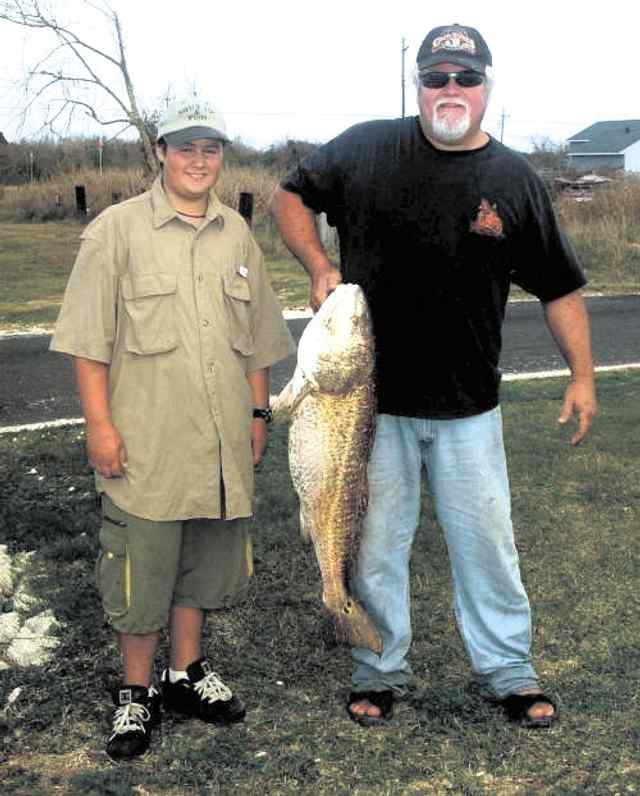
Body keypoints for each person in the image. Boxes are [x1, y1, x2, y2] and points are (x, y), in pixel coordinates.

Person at [269, 23, 597, 729]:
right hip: (369, 407)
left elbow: (560, 288)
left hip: (469, 408)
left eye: (465, 78)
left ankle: (510, 674)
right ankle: (379, 670)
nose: (451, 90)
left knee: (487, 546)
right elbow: (289, 197)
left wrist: (583, 377)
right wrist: (319, 266)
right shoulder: (364, 148)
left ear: (487, 87)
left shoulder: (513, 180)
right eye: (437, 77)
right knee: (377, 542)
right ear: (417, 84)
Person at [51, 98, 295, 759]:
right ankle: (136, 694)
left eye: (210, 149)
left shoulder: (236, 236)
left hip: (220, 446)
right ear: (160, 152)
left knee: (202, 567)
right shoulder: (116, 231)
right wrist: (98, 426)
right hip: (148, 443)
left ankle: (185, 673)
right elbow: (87, 342)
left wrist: (257, 412)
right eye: (184, 148)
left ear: (222, 157)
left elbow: (255, 340)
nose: (197, 160)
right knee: (142, 574)